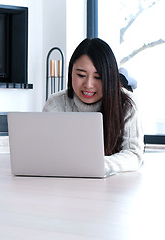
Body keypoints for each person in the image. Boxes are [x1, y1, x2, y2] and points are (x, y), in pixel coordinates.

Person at [43, 38, 144, 175]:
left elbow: (134, 155)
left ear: (108, 77)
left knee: (124, 83)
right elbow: (45, 152)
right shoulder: (55, 104)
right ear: (70, 72)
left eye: (98, 77)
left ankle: (122, 79)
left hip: (110, 185)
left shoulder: (128, 104)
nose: (88, 84)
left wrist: (95, 165)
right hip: (69, 182)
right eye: (81, 75)